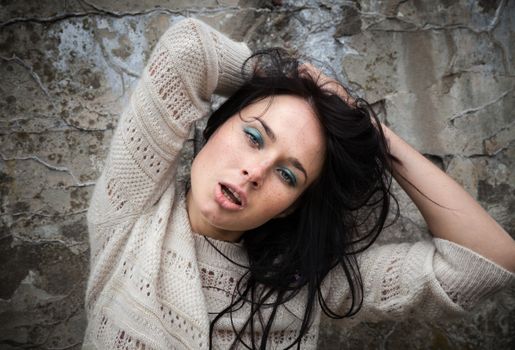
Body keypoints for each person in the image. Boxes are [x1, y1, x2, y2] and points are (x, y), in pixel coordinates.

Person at [82, 18, 515, 350]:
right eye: (253, 137)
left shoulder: (305, 284)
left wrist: (375, 135)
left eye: (288, 175)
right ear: (213, 129)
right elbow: (188, 49)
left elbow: (483, 263)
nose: (256, 172)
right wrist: (293, 80)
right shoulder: (130, 214)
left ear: (292, 205)